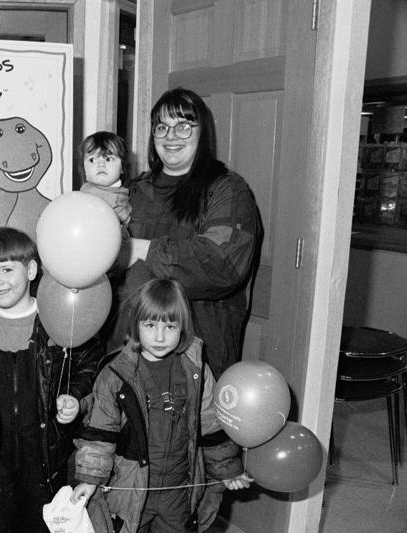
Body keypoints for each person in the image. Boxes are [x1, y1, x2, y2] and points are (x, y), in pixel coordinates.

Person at [113, 87, 262, 530]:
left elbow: (222, 263)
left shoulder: (226, 190)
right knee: (128, 466)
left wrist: (141, 248)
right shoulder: (133, 191)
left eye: (184, 125)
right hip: (130, 352)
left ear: (204, 132)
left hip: (197, 355)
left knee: (189, 480)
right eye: (162, 126)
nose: (171, 135)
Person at [72, 279, 252, 533]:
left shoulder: (196, 371)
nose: (159, 336)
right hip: (131, 489)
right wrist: (90, 479)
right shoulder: (116, 374)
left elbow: (211, 422)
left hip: (178, 490)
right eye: (150, 325)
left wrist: (227, 470)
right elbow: (101, 432)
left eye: (170, 326)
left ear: (183, 328)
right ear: (135, 326)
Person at [0, 226, 104, 533]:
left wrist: (74, 395)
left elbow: (89, 362)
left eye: (7, 269)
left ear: (31, 270)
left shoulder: (55, 319)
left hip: (45, 452)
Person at [79, 131, 131, 225]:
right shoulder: (87, 196)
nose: (101, 164)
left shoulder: (127, 193)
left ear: (122, 167)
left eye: (108, 159)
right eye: (92, 160)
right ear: (84, 169)